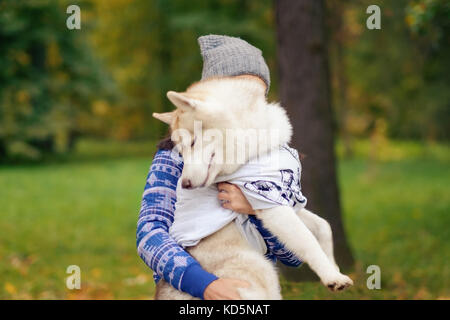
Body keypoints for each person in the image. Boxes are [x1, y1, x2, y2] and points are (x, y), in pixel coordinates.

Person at [136, 35, 302, 300]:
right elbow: (150, 233)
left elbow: (293, 256)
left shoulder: (274, 158)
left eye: (257, 96)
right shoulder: (174, 155)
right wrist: (204, 284)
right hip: (186, 292)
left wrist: (258, 208)